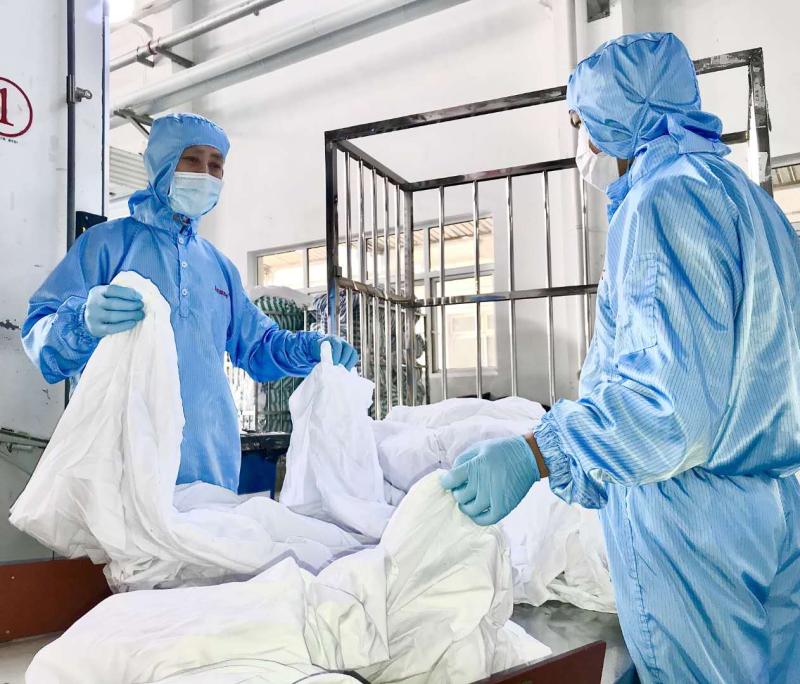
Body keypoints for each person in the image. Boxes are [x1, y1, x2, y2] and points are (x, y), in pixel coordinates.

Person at [441, 32, 800, 683]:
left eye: (581, 122)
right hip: (772, 507)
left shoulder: (662, 201)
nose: (581, 142)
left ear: (617, 114)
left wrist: (540, 451)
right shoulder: (751, 203)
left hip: (690, 528)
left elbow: (667, 411)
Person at [22, 113, 357, 492]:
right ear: (163, 163)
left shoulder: (218, 266)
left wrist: (313, 348)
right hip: (121, 463)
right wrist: (82, 322)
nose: (206, 174)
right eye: (192, 160)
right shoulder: (105, 245)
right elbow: (39, 336)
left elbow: (259, 347)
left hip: (209, 462)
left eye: (216, 165)